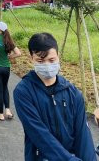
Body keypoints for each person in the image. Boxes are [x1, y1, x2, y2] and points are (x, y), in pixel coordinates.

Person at [14, 32, 96, 160]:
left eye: (51, 60)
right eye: (40, 61)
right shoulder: (24, 92)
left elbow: (83, 135)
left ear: (58, 56)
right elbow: (39, 134)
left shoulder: (73, 93)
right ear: (32, 58)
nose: (47, 65)